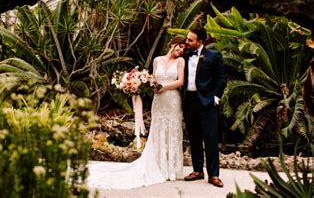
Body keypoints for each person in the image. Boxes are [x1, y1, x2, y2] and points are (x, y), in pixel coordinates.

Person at [86, 36, 186, 189]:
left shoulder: (180, 62)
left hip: (172, 100)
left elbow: (180, 81)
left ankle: (171, 169)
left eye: (183, 49)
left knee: (172, 129)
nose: (180, 51)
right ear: (172, 45)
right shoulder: (157, 60)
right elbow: (153, 79)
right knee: (157, 128)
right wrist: (141, 82)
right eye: (178, 47)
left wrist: (162, 87)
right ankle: (158, 166)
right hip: (158, 101)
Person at [182, 28, 227, 188]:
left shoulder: (213, 56)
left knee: (210, 139)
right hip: (189, 101)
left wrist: (215, 98)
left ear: (200, 42)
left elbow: (221, 78)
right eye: (187, 39)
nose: (186, 42)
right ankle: (197, 170)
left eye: (190, 40)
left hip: (207, 102)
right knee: (194, 137)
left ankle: (214, 175)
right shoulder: (185, 56)